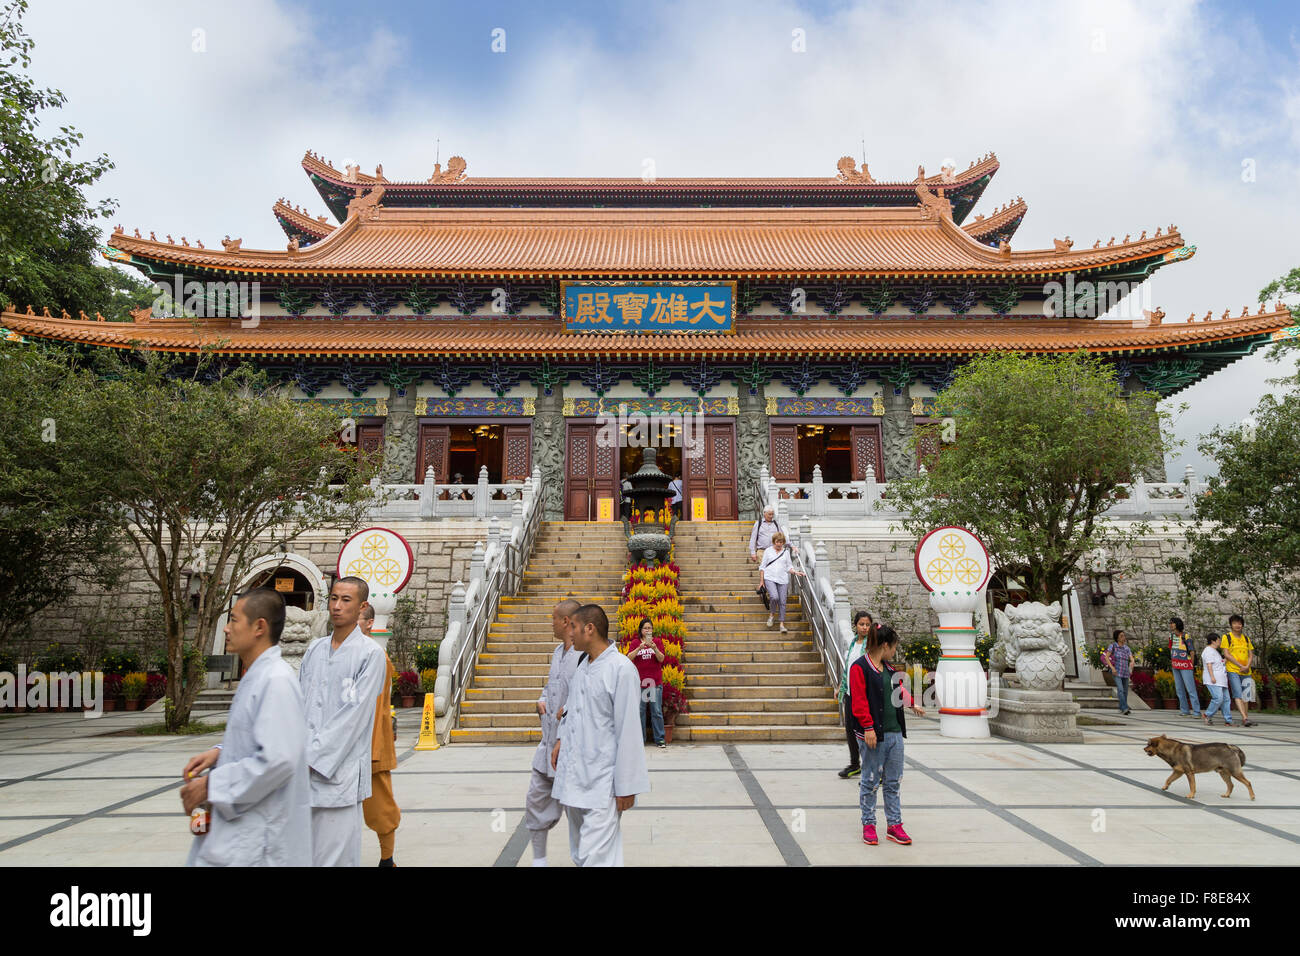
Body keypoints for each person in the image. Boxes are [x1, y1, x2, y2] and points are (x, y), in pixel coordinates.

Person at [182, 588, 311, 866]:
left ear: (259, 627)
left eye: (234, 620)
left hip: (260, 837)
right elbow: (259, 737)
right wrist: (220, 751)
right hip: (242, 830)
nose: (227, 628)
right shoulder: (258, 675)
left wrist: (211, 786)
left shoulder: (276, 680)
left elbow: (278, 759)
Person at [550, 604, 650, 867]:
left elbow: (629, 730)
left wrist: (627, 786)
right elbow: (571, 707)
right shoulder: (583, 664)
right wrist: (560, 739)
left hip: (603, 781)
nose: (569, 632)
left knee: (598, 856)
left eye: (573, 627)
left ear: (590, 629)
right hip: (574, 774)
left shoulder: (621, 669)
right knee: (580, 853)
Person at [299, 576, 388, 866]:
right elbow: (300, 704)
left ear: (362, 607)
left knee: (335, 858)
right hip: (301, 772)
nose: (337, 606)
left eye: (346, 600)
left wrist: (312, 756)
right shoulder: (315, 649)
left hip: (338, 773)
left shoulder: (370, 654)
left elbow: (354, 717)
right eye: (334, 598)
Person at [847, 622, 926, 846]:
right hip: (873, 734)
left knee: (893, 781)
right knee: (870, 780)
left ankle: (894, 824)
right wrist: (869, 728)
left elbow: (898, 689)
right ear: (884, 645)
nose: (894, 651)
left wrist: (912, 704)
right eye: (893, 647)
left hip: (894, 733)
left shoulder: (889, 669)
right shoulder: (859, 668)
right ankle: (869, 824)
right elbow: (859, 703)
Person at [524, 599, 582, 867]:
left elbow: (587, 698)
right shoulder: (558, 652)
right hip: (547, 743)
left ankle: (585, 860)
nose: (552, 623)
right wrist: (542, 699)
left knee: (578, 812)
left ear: (567, 622)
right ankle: (539, 860)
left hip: (571, 748)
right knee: (535, 800)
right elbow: (551, 687)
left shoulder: (583, 658)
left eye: (554, 619)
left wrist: (567, 710)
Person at [358, 604, 400, 867]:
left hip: (371, 740)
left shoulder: (376, 656)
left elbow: (373, 704)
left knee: (380, 806)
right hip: (334, 746)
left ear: (369, 622)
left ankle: (387, 859)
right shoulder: (324, 650)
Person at [837, 611, 874, 779]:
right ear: (856, 625)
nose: (864, 627)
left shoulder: (872, 645)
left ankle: (874, 768)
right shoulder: (852, 644)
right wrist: (841, 686)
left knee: (867, 730)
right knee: (851, 730)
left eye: (867, 624)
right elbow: (848, 668)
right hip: (851, 694)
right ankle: (854, 764)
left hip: (866, 695)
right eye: (861, 624)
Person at [627, 617, 666, 748]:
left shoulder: (657, 642)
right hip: (640, 684)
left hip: (654, 683)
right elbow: (628, 658)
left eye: (650, 628)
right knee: (640, 712)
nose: (648, 630)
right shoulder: (635, 643)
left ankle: (660, 739)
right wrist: (638, 648)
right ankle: (640, 739)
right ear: (641, 630)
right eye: (645, 628)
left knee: (656, 711)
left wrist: (654, 648)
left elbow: (661, 659)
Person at [758, 531, 805, 633]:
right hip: (769, 577)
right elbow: (762, 567)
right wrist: (762, 581)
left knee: (783, 601)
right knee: (774, 597)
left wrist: (796, 572)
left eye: (781, 542)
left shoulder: (786, 553)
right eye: (777, 542)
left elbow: (789, 566)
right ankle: (771, 614)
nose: (779, 544)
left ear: (783, 542)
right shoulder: (768, 551)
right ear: (773, 542)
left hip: (783, 579)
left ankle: (781, 624)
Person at [1221, 614, 1256, 728]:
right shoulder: (1227, 637)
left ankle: (1245, 718)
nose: (1237, 625)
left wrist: (1247, 666)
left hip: (1246, 671)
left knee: (1246, 695)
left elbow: (1251, 654)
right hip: (1233, 669)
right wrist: (1240, 665)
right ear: (1231, 625)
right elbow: (1226, 654)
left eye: (1240, 623)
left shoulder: (1246, 638)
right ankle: (1245, 718)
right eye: (1235, 623)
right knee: (1237, 693)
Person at [1168, 617, 1201, 718]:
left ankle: (1196, 711)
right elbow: (1170, 648)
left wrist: (1191, 664)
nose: (1171, 625)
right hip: (1175, 665)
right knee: (1179, 689)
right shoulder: (1171, 636)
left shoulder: (1186, 636)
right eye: (1170, 623)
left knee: (1190, 689)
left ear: (1177, 624)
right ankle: (1184, 710)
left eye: (1172, 623)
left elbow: (1192, 651)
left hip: (1186, 666)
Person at [1200, 633, 1233, 726]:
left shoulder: (1215, 651)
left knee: (1226, 699)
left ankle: (1228, 720)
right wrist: (1212, 677)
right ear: (1213, 641)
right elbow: (1209, 664)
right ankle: (1208, 714)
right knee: (1218, 698)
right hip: (1214, 679)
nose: (1220, 642)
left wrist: (1228, 656)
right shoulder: (1208, 651)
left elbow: (1220, 663)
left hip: (1221, 679)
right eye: (1218, 640)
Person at [1100, 629, 1133, 715]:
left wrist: (1132, 662)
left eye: (1124, 636)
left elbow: (1131, 657)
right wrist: (1112, 668)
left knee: (1125, 691)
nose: (1123, 638)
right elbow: (1106, 657)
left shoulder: (1127, 648)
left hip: (1125, 672)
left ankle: (1122, 707)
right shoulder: (1113, 646)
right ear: (1117, 638)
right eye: (1121, 636)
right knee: (1120, 689)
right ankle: (1125, 708)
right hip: (1116, 671)